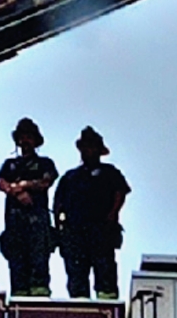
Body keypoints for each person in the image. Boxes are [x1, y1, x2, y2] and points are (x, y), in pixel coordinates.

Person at [54, 125, 132, 300]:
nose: (87, 151)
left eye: (91, 146)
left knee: (105, 274)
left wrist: (112, 214)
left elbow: (121, 192)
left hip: (101, 231)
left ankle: (107, 308)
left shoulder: (110, 173)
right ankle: (81, 312)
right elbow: (58, 204)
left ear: (98, 149)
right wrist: (59, 229)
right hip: (74, 234)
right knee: (77, 278)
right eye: (84, 147)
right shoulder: (70, 177)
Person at [0, 116, 57, 296]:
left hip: (38, 220)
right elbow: (1, 183)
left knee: (39, 259)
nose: (25, 141)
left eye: (29, 137)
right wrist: (17, 192)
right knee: (16, 262)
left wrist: (24, 185)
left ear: (36, 140)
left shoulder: (45, 163)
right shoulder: (9, 164)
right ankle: (19, 296)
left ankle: (39, 297)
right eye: (22, 137)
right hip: (14, 222)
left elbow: (46, 182)